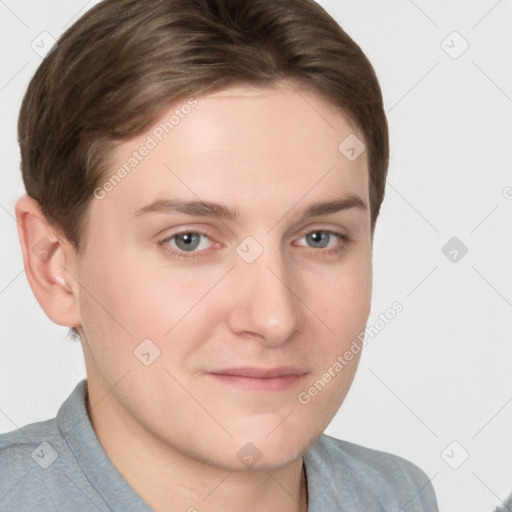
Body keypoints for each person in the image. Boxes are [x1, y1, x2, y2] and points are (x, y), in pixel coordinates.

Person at [0, 0, 438, 510]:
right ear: (55, 266)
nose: (274, 319)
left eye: (319, 237)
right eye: (189, 240)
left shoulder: (398, 496)